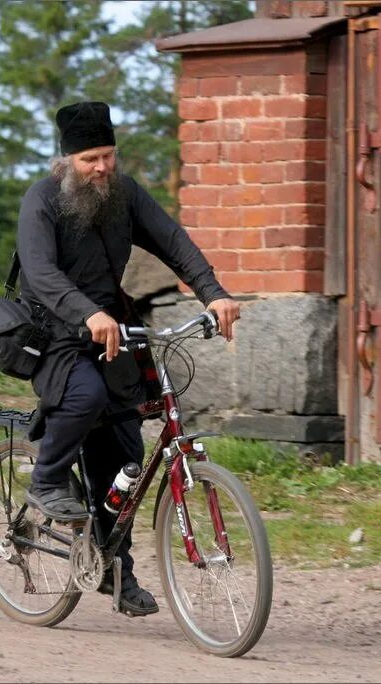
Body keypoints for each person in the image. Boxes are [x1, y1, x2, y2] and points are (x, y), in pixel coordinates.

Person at [16, 101, 240, 617]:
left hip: (114, 332)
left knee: (125, 457)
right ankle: (46, 479)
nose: (101, 168)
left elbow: (173, 241)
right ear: (67, 159)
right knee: (87, 395)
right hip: (54, 333)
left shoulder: (124, 195)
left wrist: (213, 292)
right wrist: (86, 313)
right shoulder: (43, 201)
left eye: (108, 156)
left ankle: (117, 574)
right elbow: (42, 273)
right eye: (90, 159)